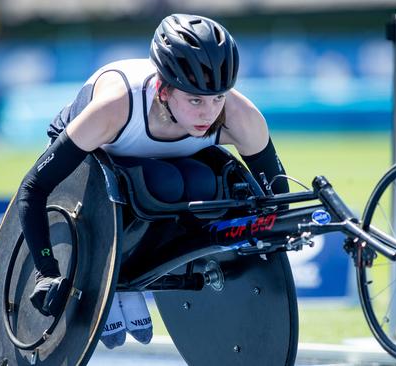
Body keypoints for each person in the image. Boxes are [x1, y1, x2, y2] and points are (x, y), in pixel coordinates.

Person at [16, 13, 289, 350]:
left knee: (204, 184)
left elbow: (276, 199)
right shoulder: (114, 107)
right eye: (195, 100)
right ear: (163, 89)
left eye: (218, 98)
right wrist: (46, 271)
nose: (208, 113)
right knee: (164, 184)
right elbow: (33, 188)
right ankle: (111, 271)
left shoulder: (239, 116)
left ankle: (137, 273)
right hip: (95, 159)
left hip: (165, 167)